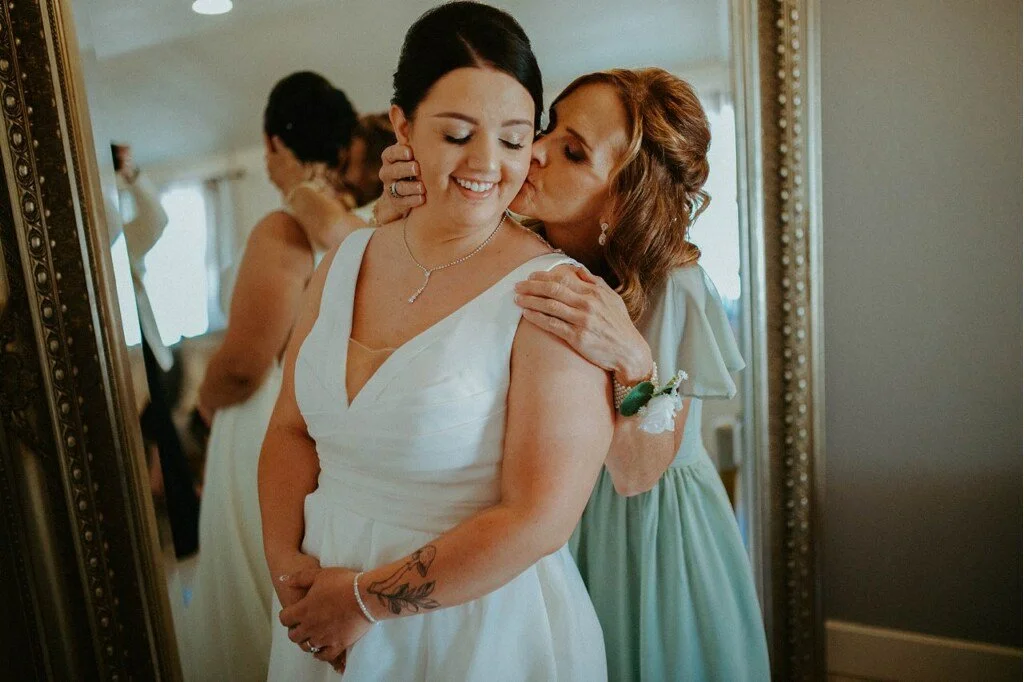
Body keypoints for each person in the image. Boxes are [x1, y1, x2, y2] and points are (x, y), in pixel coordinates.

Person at [376, 67, 771, 680]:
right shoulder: (516, 250)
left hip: (648, 539)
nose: (533, 151)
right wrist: (398, 210)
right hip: (541, 518)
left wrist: (632, 362)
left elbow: (638, 474)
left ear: (619, 197)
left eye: (573, 152)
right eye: (548, 127)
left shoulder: (676, 284)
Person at [258, 3, 611, 680]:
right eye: (456, 134)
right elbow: (289, 432)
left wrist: (364, 600)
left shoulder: (550, 293)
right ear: (401, 126)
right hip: (319, 611)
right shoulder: (346, 261)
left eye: (512, 140)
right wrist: (289, 572)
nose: (486, 163)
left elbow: (539, 518)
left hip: (473, 632)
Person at [178, 71, 359, 682]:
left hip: (263, 424)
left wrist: (200, 407)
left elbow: (246, 364)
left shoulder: (283, 228)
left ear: (273, 144)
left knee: (258, 582)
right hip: (322, 421)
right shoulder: (355, 224)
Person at [112, 143, 200, 559]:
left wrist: (129, 175)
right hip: (118, 367)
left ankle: (181, 527)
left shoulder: (120, 239)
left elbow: (156, 218)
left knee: (162, 440)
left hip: (150, 358)